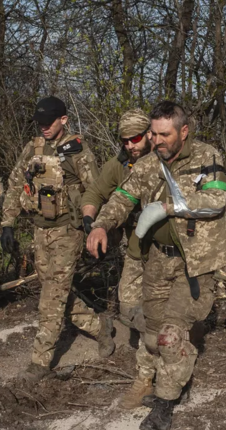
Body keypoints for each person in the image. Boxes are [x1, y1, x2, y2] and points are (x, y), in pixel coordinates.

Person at [86, 101, 226, 430]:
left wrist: (168, 208)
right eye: (153, 133)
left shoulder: (207, 157)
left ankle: (165, 404)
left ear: (183, 131)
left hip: (195, 262)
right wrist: (100, 225)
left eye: (164, 134)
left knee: (169, 335)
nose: (157, 140)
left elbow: (215, 201)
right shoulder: (148, 164)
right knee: (151, 336)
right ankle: (162, 378)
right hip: (158, 260)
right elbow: (122, 197)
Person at [0, 96, 115, 383]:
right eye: (39, 123)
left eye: (49, 123)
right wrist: (7, 223)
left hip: (68, 232)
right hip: (40, 230)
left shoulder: (78, 151)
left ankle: (40, 363)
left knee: (52, 297)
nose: (43, 128)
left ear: (63, 120)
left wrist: (95, 227)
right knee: (56, 291)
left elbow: (96, 190)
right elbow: (16, 183)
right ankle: (100, 327)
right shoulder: (33, 147)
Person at [80, 109, 153, 408]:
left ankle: (157, 354)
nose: (129, 145)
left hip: (168, 240)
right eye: (124, 140)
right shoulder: (119, 165)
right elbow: (94, 194)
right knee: (128, 299)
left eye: (135, 138)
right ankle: (150, 339)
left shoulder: (165, 158)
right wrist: (90, 222)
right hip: (136, 239)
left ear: (149, 133)